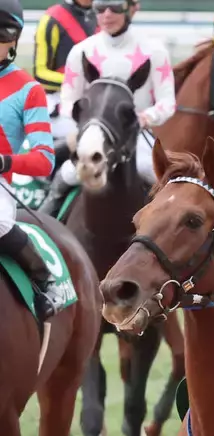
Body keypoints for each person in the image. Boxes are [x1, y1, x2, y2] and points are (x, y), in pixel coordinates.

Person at [41, 0, 175, 216]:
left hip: (135, 135)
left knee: (154, 174)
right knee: (66, 175)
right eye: (100, 8)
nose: (107, 14)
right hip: (92, 134)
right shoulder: (81, 51)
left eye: (115, 7)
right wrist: (87, 122)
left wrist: (143, 118)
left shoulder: (155, 51)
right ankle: (43, 225)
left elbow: (167, 103)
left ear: (132, 8)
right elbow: (68, 100)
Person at [0, 0, 64, 318]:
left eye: (1, 34)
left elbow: (44, 159)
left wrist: (6, 162)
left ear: (13, 40)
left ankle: (44, 281)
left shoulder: (29, 89)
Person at [34, 0, 97, 142]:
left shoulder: (104, 15)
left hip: (96, 102)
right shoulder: (52, 19)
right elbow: (40, 74)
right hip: (59, 104)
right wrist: (80, 82)